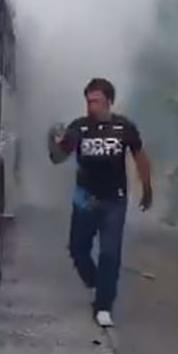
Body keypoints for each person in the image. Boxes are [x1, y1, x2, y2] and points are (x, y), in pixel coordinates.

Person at [49, 78, 152, 327]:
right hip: (85, 198)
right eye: (88, 101)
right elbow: (59, 157)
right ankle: (95, 280)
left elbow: (140, 157)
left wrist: (147, 187)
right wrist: (54, 142)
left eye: (96, 101)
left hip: (114, 199)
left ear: (109, 101)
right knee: (78, 249)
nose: (91, 106)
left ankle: (104, 305)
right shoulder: (79, 127)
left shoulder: (123, 127)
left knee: (110, 253)